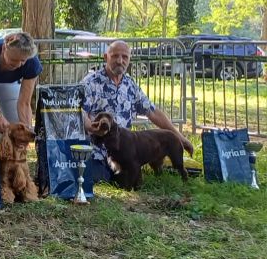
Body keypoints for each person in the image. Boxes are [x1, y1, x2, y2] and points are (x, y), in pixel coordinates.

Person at [82, 40, 194, 182]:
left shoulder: (130, 84)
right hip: (97, 151)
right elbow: (80, 113)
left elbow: (153, 112)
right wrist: (93, 128)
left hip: (125, 152)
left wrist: (180, 138)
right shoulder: (90, 82)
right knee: (98, 178)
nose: (120, 61)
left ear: (130, 60)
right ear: (106, 57)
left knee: (123, 179)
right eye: (115, 56)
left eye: (125, 57)